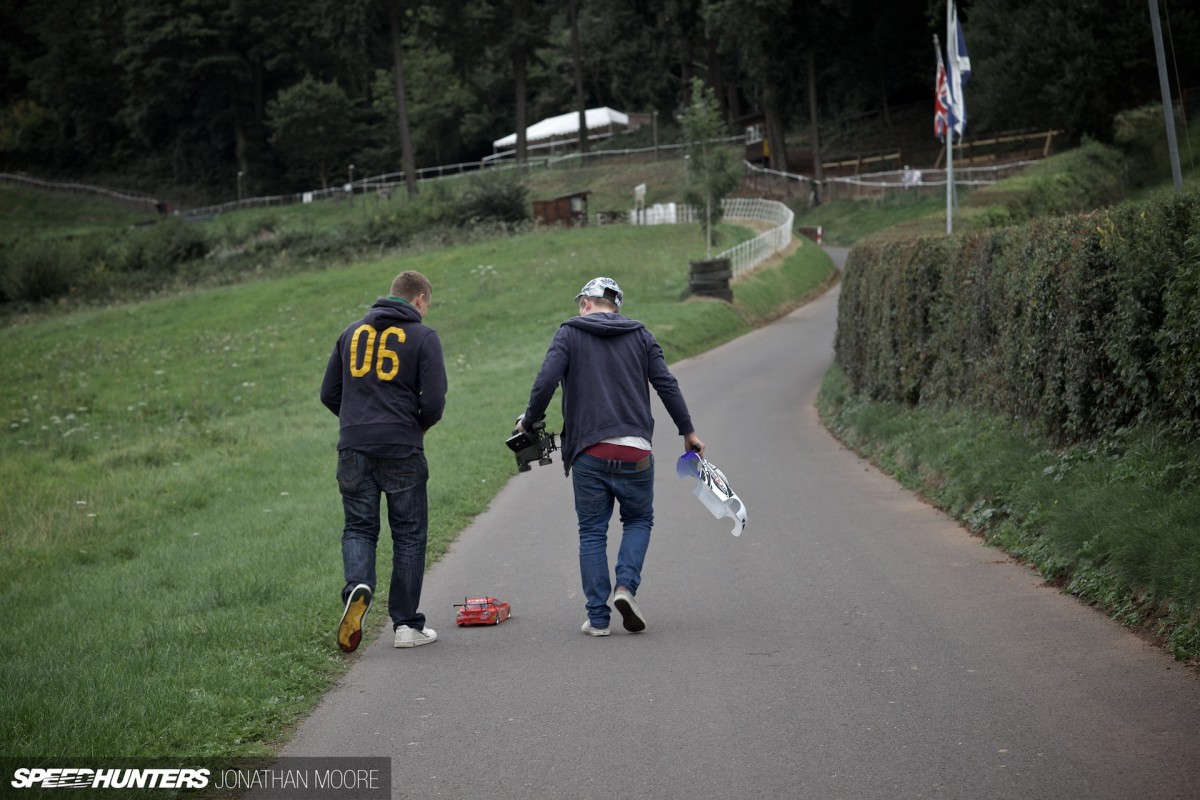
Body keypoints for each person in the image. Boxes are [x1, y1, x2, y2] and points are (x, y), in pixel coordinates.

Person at [517, 277, 704, 636]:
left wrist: (529, 420)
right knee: (638, 521)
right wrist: (688, 431)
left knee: (592, 532)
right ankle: (625, 588)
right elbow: (666, 383)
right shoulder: (641, 335)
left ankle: (598, 619)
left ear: (587, 303)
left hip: (589, 450)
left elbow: (545, 381)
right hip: (636, 450)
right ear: (615, 305)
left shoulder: (569, 334)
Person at [320, 270, 447, 651]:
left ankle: (357, 587)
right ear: (420, 299)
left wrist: (355, 423)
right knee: (408, 534)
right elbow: (435, 400)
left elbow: (329, 393)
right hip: (402, 447)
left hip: (353, 447)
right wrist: (418, 426)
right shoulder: (423, 336)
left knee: (359, 528)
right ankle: (406, 625)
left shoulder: (350, 333)